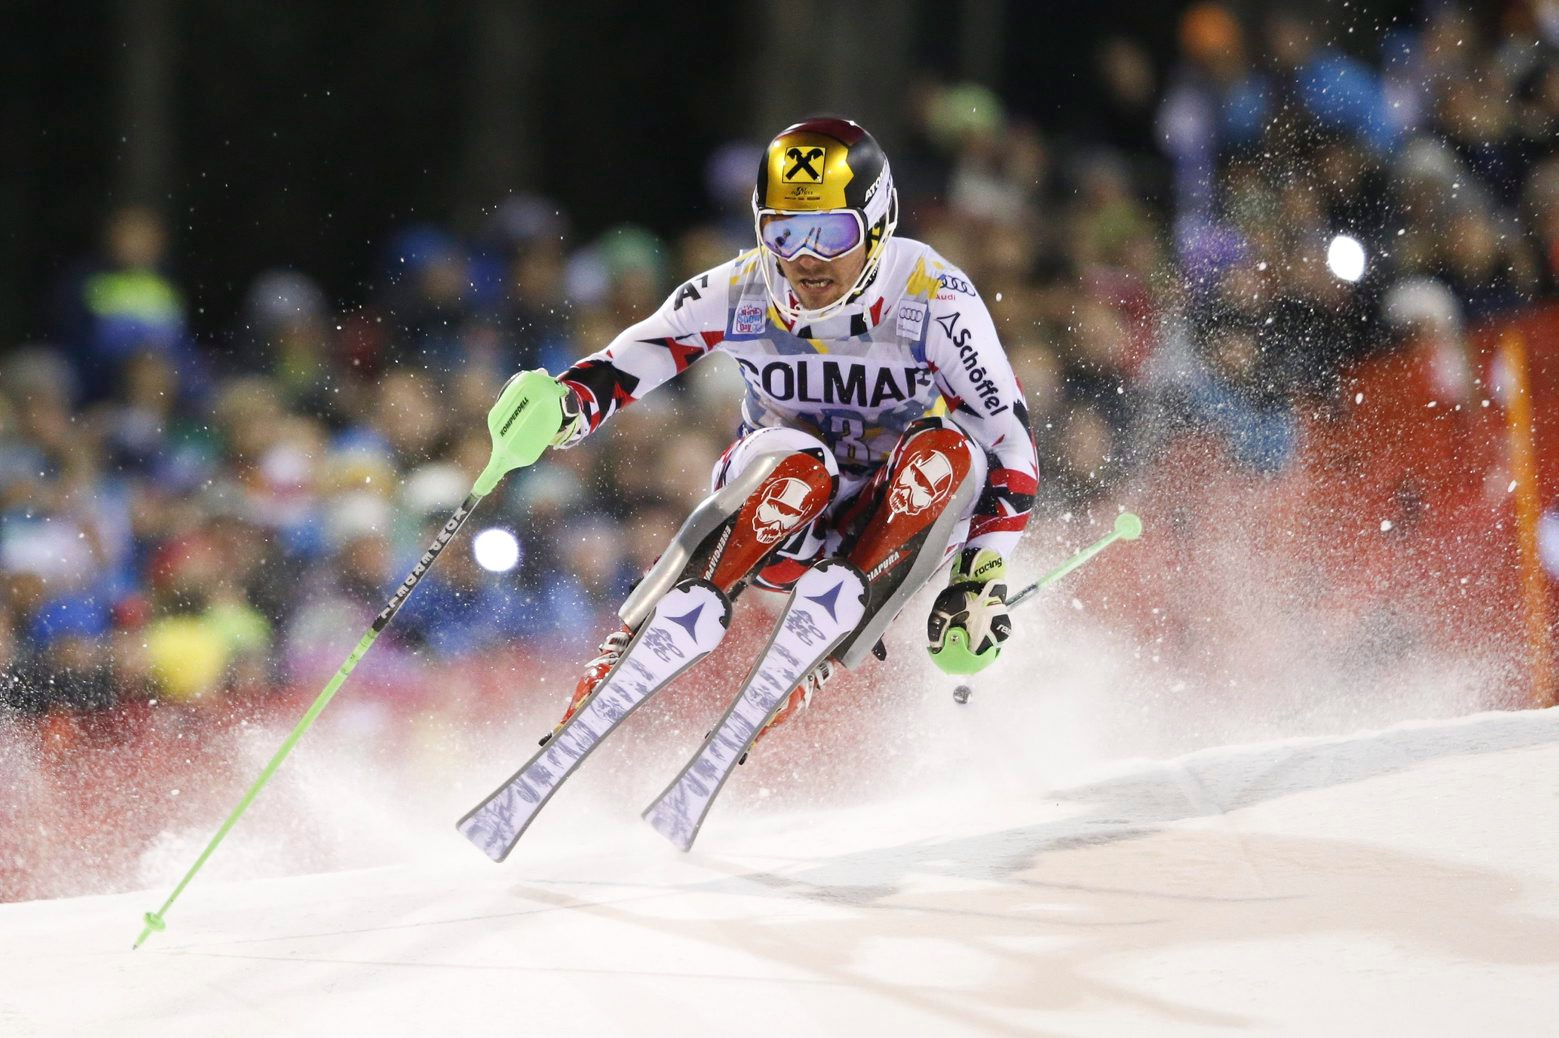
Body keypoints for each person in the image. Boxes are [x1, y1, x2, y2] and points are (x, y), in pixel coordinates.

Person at [496, 117, 1038, 749]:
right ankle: (649, 630)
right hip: (777, 519)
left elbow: (1007, 439)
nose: (806, 259)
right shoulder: (744, 287)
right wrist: (563, 406)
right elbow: (638, 356)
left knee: (948, 450)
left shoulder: (930, 294)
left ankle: (823, 643)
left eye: (830, 232)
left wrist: (981, 573)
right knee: (802, 461)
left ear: (878, 221)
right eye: (783, 231)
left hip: (887, 528)